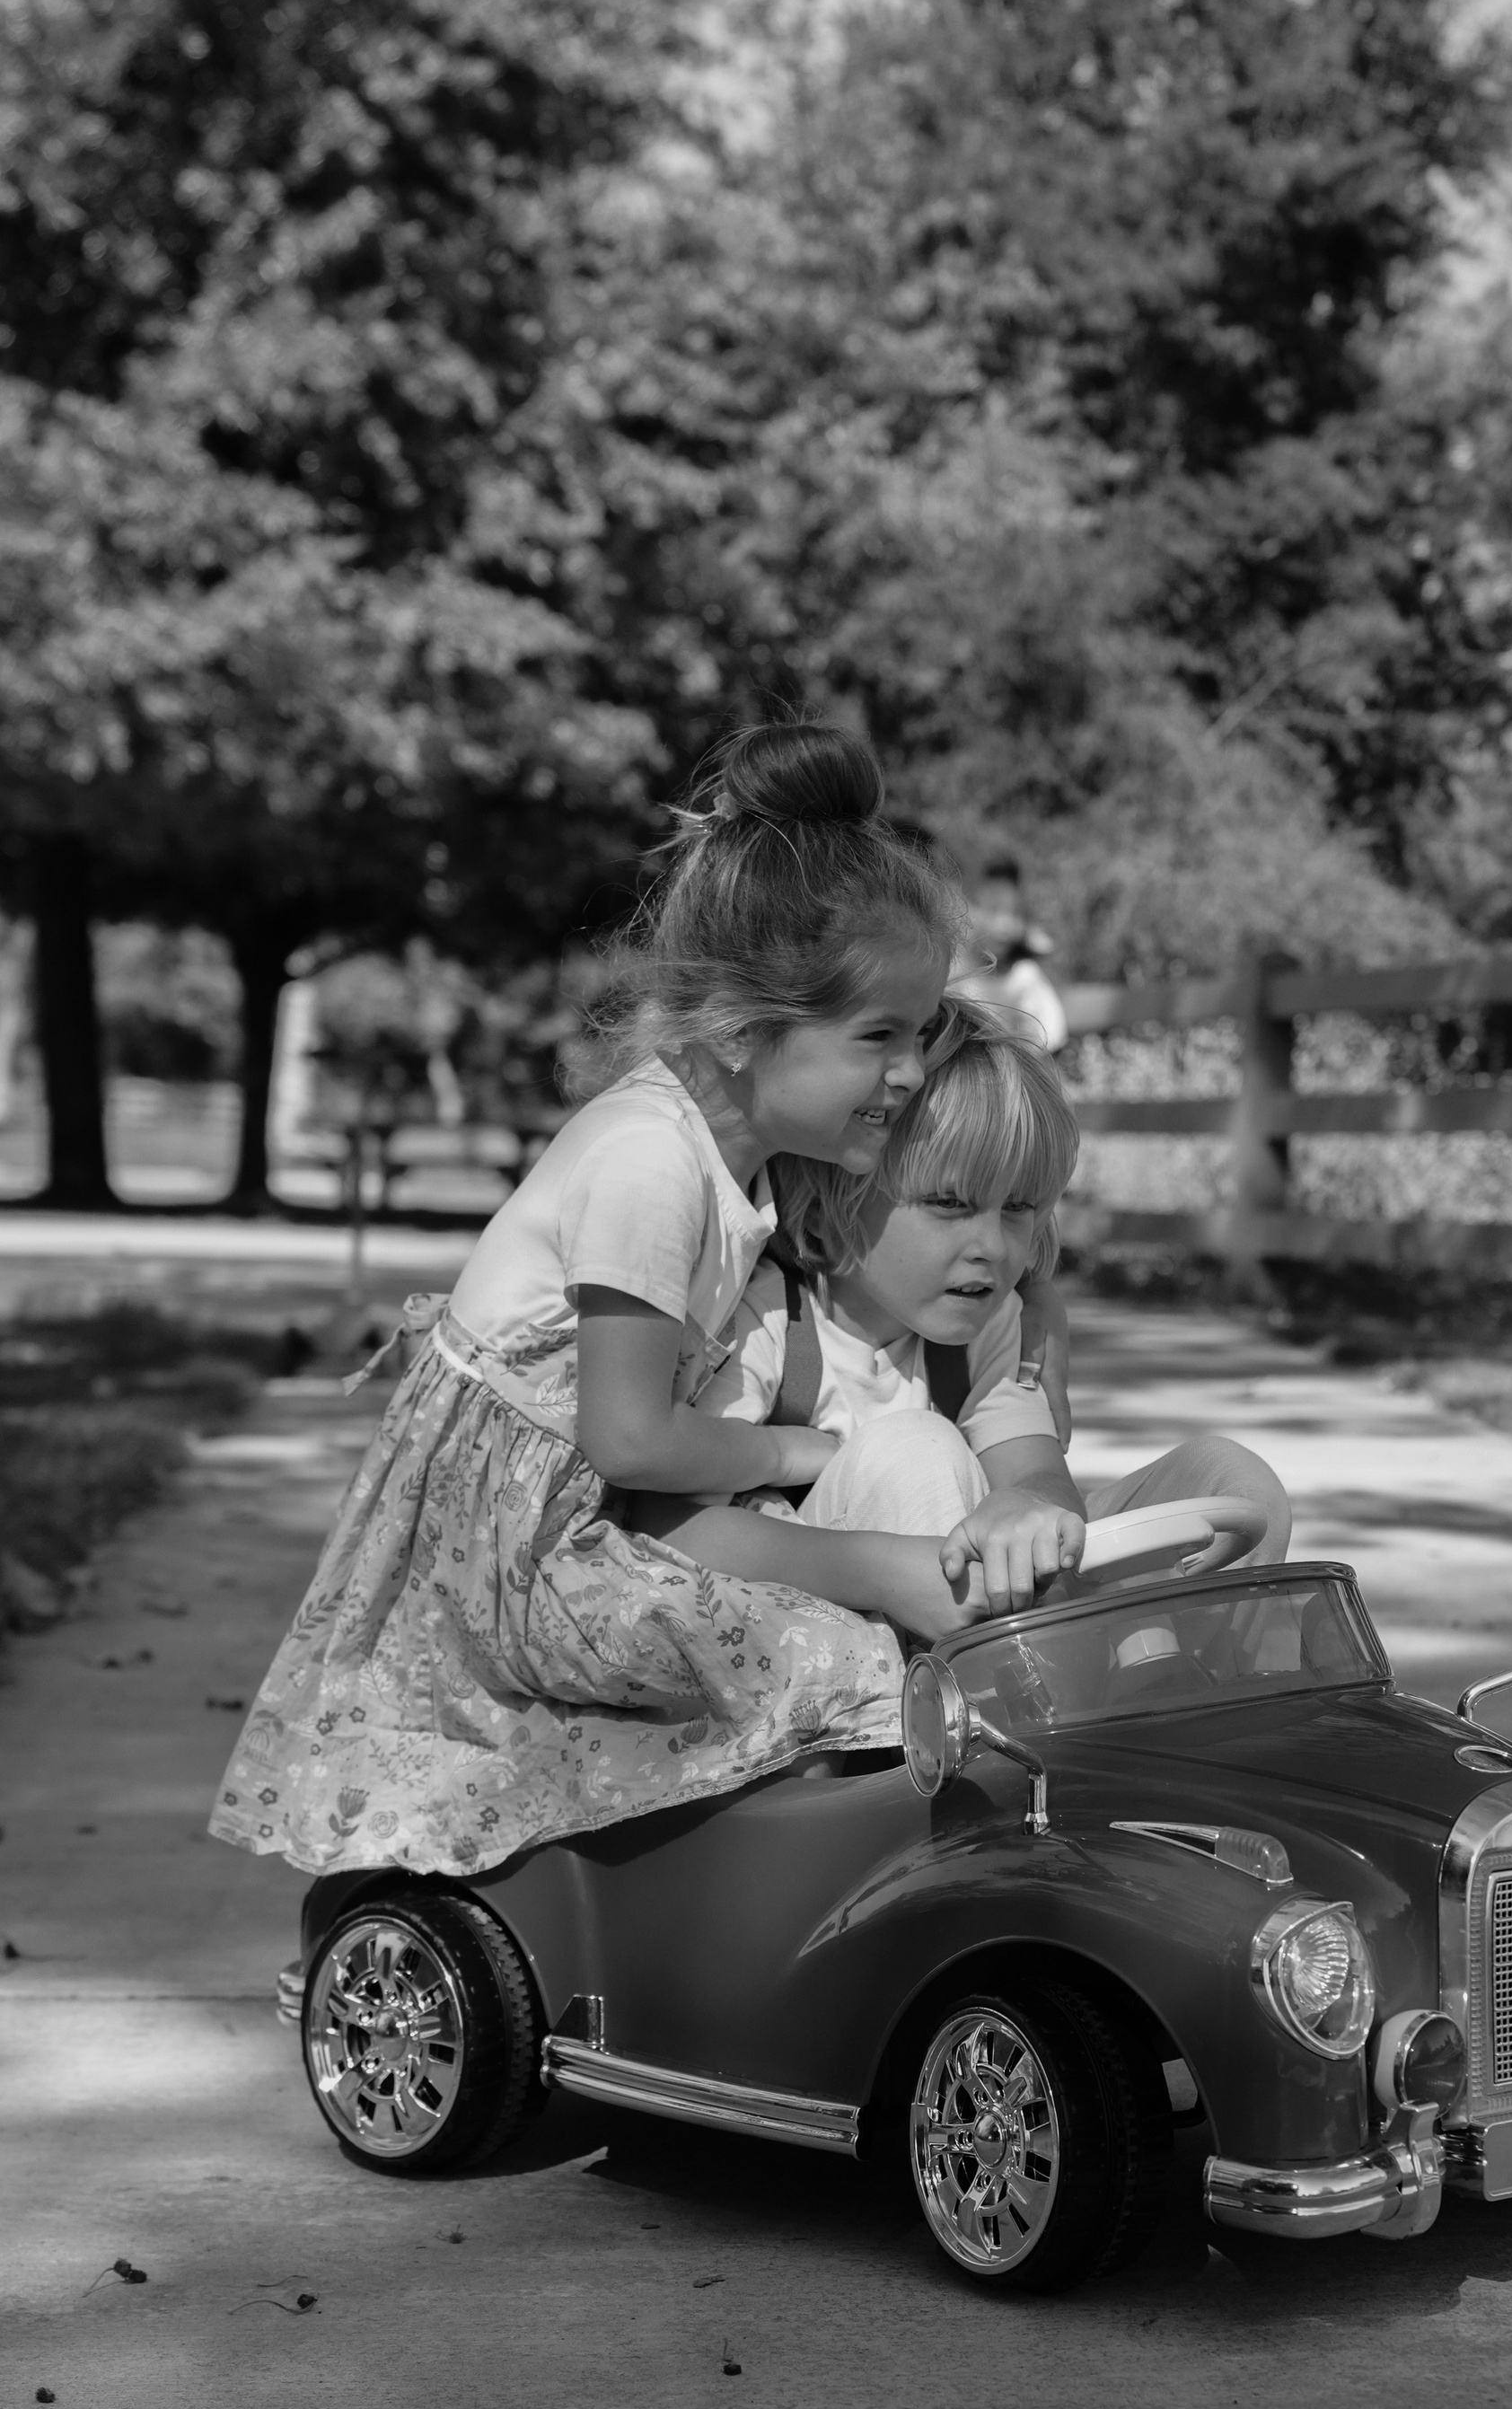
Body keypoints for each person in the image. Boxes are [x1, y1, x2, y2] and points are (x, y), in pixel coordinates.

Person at [209, 724, 991, 1882]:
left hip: (597, 1511)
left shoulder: (746, 1153)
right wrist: (806, 1448)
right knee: (836, 1660)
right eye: (879, 1036)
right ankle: (764, 1909)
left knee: (865, 1613)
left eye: (920, 1034)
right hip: (523, 1557)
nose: (912, 1071)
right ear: (738, 1025)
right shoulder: (648, 1162)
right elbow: (627, 1438)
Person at [629, 999, 1290, 1607]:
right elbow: (671, 1527)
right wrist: (883, 1568)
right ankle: (1001, 1709)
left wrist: (1024, 1510)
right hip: (835, 1613)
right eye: (950, 1203)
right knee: (919, 1449)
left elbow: (1037, 1473)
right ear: (832, 1212)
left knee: (1233, 1483)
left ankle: (1184, 1694)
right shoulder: (770, 1324)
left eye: (1018, 1209)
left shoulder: (987, 1331)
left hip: (990, 1590)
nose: (991, 1247)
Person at [960, 856, 1068, 1053]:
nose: (1003, 925)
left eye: (1013, 914)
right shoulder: (956, 973)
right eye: (993, 911)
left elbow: (1049, 1042)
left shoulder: (1025, 977)